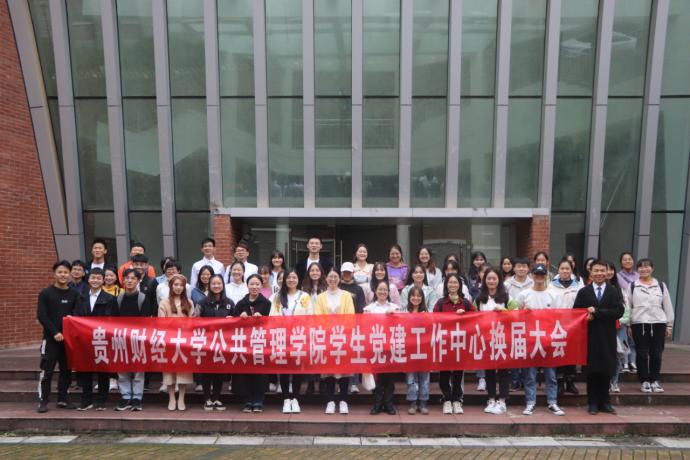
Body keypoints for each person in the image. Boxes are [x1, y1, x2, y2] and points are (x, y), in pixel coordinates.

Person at [573, 259, 625, 415]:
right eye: (596, 270)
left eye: (602, 270)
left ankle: (605, 402)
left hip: (608, 336)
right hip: (590, 337)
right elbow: (576, 312)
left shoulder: (614, 291)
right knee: (592, 371)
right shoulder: (583, 292)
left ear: (607, 272)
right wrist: (585, 316)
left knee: (606, 369)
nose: (599, 273)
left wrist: (597, 312)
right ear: (591, 272)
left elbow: (619, 312)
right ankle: (593, 403)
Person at [516, 264, 565, 416]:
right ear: (532, 275)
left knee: (551, 374)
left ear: (546, 276)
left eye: (542, 274)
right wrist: (523, 312)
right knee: (530, 375)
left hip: (549, 339)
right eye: (536, 274)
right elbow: (516, 316)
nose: (539, 277)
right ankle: (530, 402)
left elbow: (560, 316)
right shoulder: (523, 294)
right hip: (530, 339)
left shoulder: (554, 295)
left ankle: (552, 402)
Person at [37, 260, 81, 413]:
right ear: (54, 274)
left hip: (68, 340)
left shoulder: (75, 294)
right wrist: (55, 332)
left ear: (70, 275)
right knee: (47, 371)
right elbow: (42, 315)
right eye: (60, 272)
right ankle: (43, 401)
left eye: (66, 272)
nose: (63, 275)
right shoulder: (46, 293)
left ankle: (63, 399)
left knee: (66, 371)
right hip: (51, 339)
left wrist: (69, 333)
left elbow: (76, 315)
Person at [474, 268, 519, 415]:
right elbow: (472, 316)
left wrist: (504, 312)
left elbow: (517, 315)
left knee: (503, 371)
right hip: (486, 339)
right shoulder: (479, 299)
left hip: (503, 339)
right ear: (484, 280)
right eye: (489, 278)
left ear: (499, 280)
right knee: (489, 371)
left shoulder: (506, 298)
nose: (491, 281)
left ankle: (502, 401)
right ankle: (491, 398)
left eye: (494, 278)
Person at [627, 258, 674, 394]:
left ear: (652, 269)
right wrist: (628, 324)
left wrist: (669, 325)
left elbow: (668, 306)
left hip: (658, 323)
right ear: (637, 270)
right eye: (641, 267)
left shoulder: (660, 285)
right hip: (639, 323)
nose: (644, 269)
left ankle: (655, 380)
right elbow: (627, 306)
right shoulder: (632, 286)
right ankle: (644, 381)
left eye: (647, 266)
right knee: (641, 354)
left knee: (656, 354)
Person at [73, 268, 118, 411]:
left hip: (102, 339)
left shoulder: (110, 299)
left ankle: (101, 401)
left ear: (103, 280)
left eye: (99, 278)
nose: (95, 280)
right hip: (84, 339)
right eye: (93, 277)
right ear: (88, 279)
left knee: (103, 371)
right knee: (85, 370)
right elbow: (75, 316)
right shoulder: (80, 297)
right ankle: (86, 400)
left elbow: (114, 320)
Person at [270, 269, 312, 413]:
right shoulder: (277, 297)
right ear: (284, 280)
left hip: (298, 337)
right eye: (289, 277)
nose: (291, 280)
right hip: (282, 337)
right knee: (284, 369)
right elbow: (272, 316)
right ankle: (286, 399)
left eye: (294, 277)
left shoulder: (304, 296)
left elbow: (310, 317)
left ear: (298, 280)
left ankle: (295, 399)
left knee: (297, 369)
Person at [315, 269, 355, 414]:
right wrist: (329, 330)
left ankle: (343, 400)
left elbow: (350, 316)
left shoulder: (346, 295)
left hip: (343, 337)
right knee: (329, 371)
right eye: (330, 276)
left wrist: (340, 329)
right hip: (327, 338)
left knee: (344, 370)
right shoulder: (320, 297)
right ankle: (330, 401)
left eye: (335, 276)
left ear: (340, 278)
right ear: (326, 278)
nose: (333, 279)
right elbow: (318, 317)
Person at [433, 273, 474, 415]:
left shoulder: (466, 303)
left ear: (460, 285)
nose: (453, 285)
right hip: (444, 343)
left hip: (460, 343)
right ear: (446, 285)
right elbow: (433, 320)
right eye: (450, 282)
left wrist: (465, 315)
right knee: (444, 373)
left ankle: (457, 399)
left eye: (455, 282)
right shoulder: (440, 303)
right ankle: (446, 399)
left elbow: (476, 318)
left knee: (458, 373)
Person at [233, 274, 272, 412]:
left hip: (261, 343)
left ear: (261, 286)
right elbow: (233, 323)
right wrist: (240, 318)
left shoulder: (267, 303)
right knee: (244, 372)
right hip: (244, 343)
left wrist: (262, 318)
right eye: (252, 284)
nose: (254, 287)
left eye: (257, 284)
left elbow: (273, 323)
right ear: (247, 285)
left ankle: (258, 399)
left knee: (260, 372)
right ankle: (247, 399)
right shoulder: (241, 303)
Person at [158, 274, 196, 411]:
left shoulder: (189, 303)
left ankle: (181, 398)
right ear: (171, 286)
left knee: (183, 371)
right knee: (169, 371)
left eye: (181, 285)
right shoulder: (164, 303)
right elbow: (161, 323)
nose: (178, 287)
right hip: (169, 341)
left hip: (184, 342)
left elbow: (192, 323)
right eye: (176, 285)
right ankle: (171, 398)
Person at [364, 280, 402, 415]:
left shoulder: (395, 308)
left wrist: (395, 315)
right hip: (375, 347)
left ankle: (389, 404)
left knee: (390, 379)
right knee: (377, 379)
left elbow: (401, 326)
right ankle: (377, 404)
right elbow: (365, 327)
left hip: (390, 347)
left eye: (385, 290)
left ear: (388, 292)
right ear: (375, 291)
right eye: (380, 289)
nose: (382, 292)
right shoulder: (368, 309)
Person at [115, 268, 151, 411]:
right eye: (127, 278)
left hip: (138, 339)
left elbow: (145, 320)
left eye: (133, 278)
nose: (129, 281)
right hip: (121, 339)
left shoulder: (143, 298)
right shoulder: (119, 298)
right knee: (122, 369)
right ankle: (125, 396)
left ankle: (137, 398)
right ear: (123, 280)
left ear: (138, 281)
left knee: (138, 371)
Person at [198, 274, 234, 411]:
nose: (216, 286)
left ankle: (217, 398)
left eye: (219, 283)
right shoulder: (202, 303)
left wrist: (232, 319)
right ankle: (207, 398)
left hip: (223, 342)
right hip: (206, 342)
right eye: (213, 283)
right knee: (207, 371)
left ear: (223, 285)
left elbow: (235, 321)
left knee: (220, 370)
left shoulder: (229, 303)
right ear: (209, 285)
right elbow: (195, 320)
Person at [549, 257, 584, 395]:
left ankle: (570, 381)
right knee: (558, 352)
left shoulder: (578, 285)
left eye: (567, 268)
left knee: (572, 353)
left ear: (571, 270)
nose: (565, 271)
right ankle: (559, 383)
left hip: (574, 324)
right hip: (557, 325)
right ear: (558, 270)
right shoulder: (551, 285)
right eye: (562, 268)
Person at [404, 286, 431, 415]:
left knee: (424, 378)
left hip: (424, 350)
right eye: (413, 296)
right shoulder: (404, 312)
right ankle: (413, 402)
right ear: (409, 297)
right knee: (411, 378)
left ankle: (423, 402)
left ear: (422, 298)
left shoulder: (427, 313)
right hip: (409, 350)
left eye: (418, 296)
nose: (416, 298)